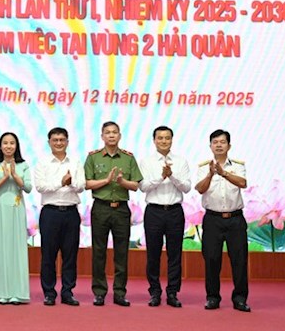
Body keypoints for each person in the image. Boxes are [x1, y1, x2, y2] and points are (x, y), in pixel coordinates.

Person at [84, 121, 142, 307]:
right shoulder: (93, 157)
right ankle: (99, 292)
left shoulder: (128, 158)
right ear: (102, 136)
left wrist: (122, 182)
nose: (111, 135)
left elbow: (136, 185)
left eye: (114, 132)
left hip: (121, 209)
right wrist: (106, 180)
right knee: (99, 251)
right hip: (100, 208)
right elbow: (86, 183)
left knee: (121, 252)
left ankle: (119, 293)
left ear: (119, 136)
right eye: (107, 132)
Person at [195, 129, 250, 312]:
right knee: (211, 260)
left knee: (239, 260)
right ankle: (212, 297)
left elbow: (242, 183)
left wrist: (224, 173)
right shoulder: (203, 167)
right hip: (213, 219)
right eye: (215, 142)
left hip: (235, 219)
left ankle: (240, 298)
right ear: (210, 146)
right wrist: (211, 174)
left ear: (229, 146)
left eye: (222, 142)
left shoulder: (238, 165)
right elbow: (200, 189)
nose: (219, 145)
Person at [139, 125, 191, 308]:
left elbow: (186, 187)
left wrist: (172, 176)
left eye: (167, 138)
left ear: (172, 140)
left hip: (175, 211)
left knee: (174, 254)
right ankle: (154, 292)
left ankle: (172, 292)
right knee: (153, 254)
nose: (163, 141)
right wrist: (161, 177)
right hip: (154, 211)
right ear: (154, 141)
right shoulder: (146, 161)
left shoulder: (181, 161)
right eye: (160, 138)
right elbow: (143, 187)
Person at [34, 127, 85, 306]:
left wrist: (71, 183)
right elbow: (40, 187)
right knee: (48, 255)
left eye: (62, 140)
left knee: (70, 255)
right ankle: (49, 293)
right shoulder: (43, 163)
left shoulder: (76, 162)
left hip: (71, 212)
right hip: (50, 213)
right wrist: (60, 182)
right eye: (55, 140)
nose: (58, 143)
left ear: (67, 142)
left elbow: (81, 185)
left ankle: (67, 292)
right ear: (49, 142)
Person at [0, 132, 33, 304]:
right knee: (0, 247)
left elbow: (28, 188)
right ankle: (0, 292)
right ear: (0, 146)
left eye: (12, 143)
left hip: (17, 208)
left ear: (16, 146)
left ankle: (17, 292)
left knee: (16, 248)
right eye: (5, 143)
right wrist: (5, 177)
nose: (8, 146)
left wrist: (15, 175)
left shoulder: (23, 165)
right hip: (0, 208)